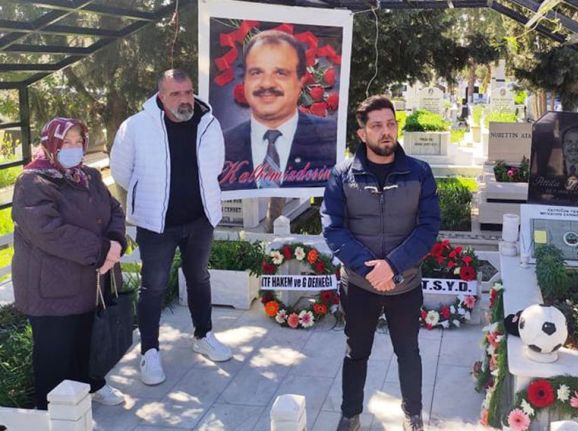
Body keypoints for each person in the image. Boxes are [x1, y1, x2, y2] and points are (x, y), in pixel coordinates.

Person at [321, 96, 441, 431]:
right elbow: (333, 227)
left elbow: (428, 226)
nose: (386, 131)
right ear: (362, 133)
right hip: (360, 285)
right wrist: (370, 269)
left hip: (405, 283)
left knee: (408, 352)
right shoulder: (342, 175)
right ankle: (350, 414)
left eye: (390, 124)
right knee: (356, 352)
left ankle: (413, 413)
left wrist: (393, 266)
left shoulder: (419, 172)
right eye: (376, 126)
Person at [110, 69, 232, 386]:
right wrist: (150, 195)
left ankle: (203, 335)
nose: (184, 99)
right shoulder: (136, 126)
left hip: (199, 220)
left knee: (199, 278)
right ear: (161, 96)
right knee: (154, 286)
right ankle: (149, 351)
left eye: (188, 92)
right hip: (157, 224)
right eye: (175, 94)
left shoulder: (208, 123)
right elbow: (121, 172)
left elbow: (216, 166)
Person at [12, 117, 126, 409]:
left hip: (88, 281)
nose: (73, 148)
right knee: (55, 356)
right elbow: (47, 230)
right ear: (50, 144)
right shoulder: (32, 182)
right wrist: (102, 250)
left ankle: (89, 386)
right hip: (52, 288)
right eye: (65, 142)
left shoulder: (88, 175)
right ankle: (52, 412)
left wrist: (115, 240)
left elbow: (113, 209)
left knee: (85, 343)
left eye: (78, 141)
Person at [220, 30, 337, 191]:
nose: (267, 83)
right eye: (256, 72)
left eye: (280, 73)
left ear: (301, 81)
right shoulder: (222, 144)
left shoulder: (331, 138)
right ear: (245, 81)